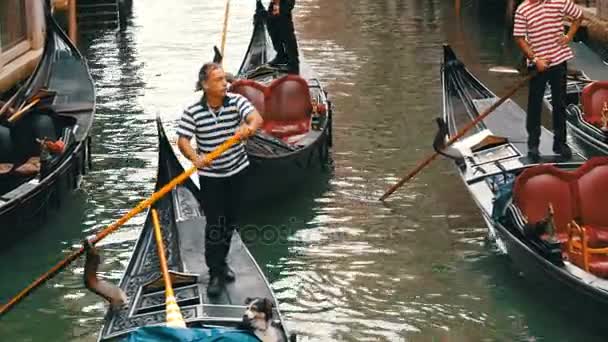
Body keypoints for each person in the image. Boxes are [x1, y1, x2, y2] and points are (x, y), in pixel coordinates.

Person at [177, 62, 264, 297]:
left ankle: (222, 262)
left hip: (238, 171)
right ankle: (215, 271)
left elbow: (256, 118)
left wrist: (249, 128)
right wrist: (195, 158)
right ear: (205, 85)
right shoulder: (193, 112)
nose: (225, 83)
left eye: (225, 79)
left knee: (230, 222)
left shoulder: (237, 101)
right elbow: (183, 140)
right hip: (212, 177)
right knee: (215, 223)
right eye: (218, 80)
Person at [513, 0, 583, 162]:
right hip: (537, 65)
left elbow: (579, 16)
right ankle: (533, 145)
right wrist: (535, 59)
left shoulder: (559, 2)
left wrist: (569, 36)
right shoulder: (522, 10)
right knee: (534, 105)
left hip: (559, 61)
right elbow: (519, 38)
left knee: (559, 103)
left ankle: (560, 144)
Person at [266, 0, 299, 74]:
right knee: (271, 24)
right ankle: (281, 56)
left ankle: (293, 64)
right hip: (275, 4)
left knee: (286, 32)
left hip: (285, 3)